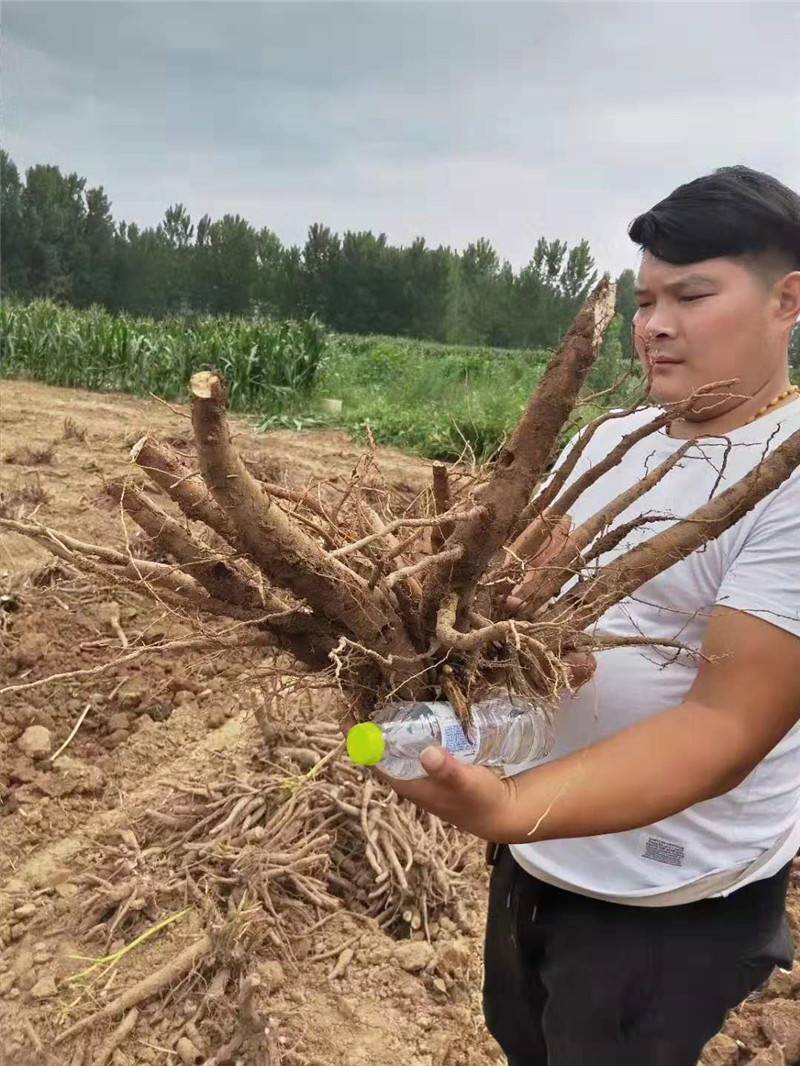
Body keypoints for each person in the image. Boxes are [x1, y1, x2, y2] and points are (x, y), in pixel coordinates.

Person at [390, 166, 800, 1065]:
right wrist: (479, 656)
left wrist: (506, 807)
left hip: (664, 902)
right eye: (646, 298)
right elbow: (518, 600)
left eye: (692, 295)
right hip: (545, 857)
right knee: (522, 1037)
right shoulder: (611, 437)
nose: (654, 325)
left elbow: (726, 724)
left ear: (788, 301)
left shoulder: (792, 475)